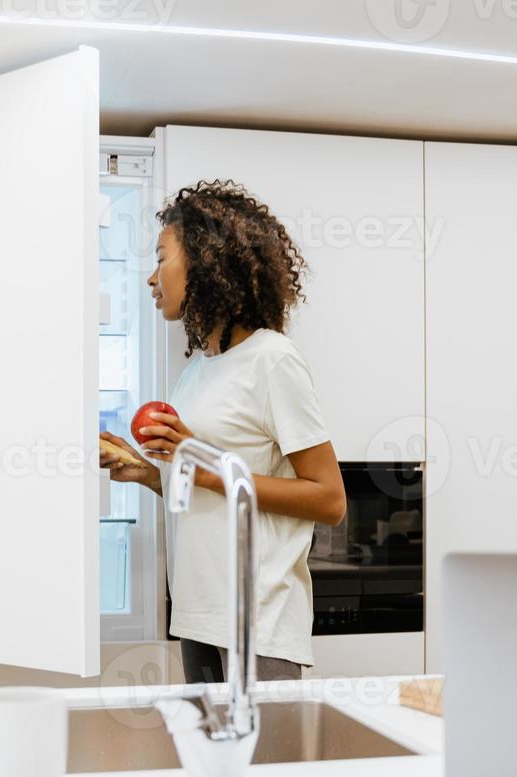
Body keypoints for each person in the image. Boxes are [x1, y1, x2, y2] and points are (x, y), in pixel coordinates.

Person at [99, 180, 346, 683]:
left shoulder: (272, 360)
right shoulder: (198, 371)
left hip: (257, 621)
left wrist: (205, 467)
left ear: (207, 263)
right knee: (211, 763)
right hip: (198, 615)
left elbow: (329, 499)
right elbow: (205, 483)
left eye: (161, 258)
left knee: (263, 763)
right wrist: (149, 473)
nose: (151, 277)